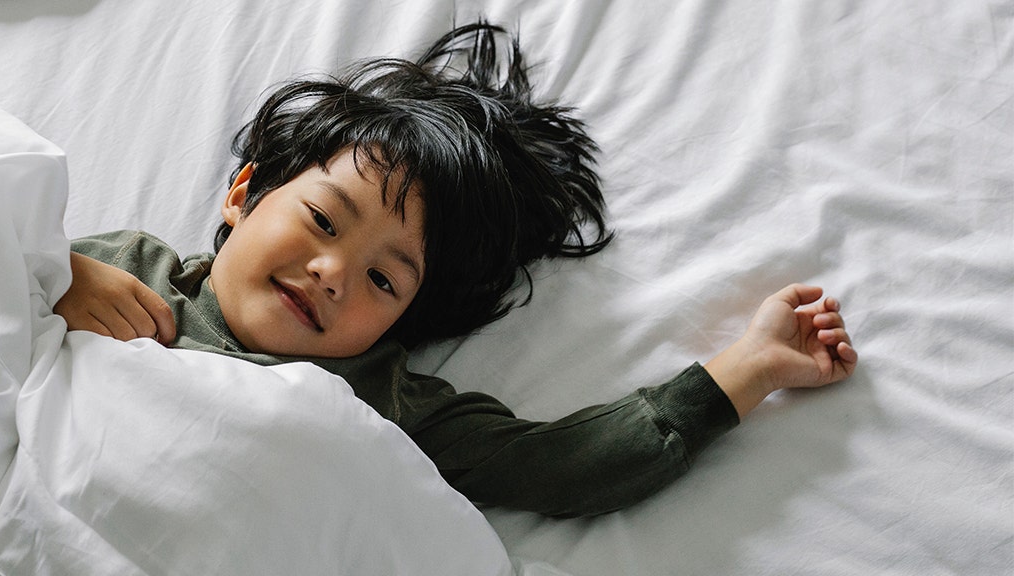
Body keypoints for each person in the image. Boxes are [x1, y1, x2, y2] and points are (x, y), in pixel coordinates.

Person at [53, 22, 858, 517]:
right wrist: (49, 277)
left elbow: (558, 466)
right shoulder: (127, 267)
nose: (333, 272)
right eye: (323, 220)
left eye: (384, 281)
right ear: (244, 192)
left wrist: (744, 370)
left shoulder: (385, 397)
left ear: (405, 318)